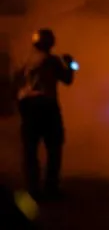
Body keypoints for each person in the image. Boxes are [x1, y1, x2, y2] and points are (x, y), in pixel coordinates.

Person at [13, 28, 75, 200]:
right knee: (54, 147)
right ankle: (51, 187)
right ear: (50, 43)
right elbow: (67, 80)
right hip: (47, 107)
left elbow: (14, 81)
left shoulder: (24, 60)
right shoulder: (52, 61)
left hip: (28, 107)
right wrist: (70, 65)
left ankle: (32, 188)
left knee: (30, 149)